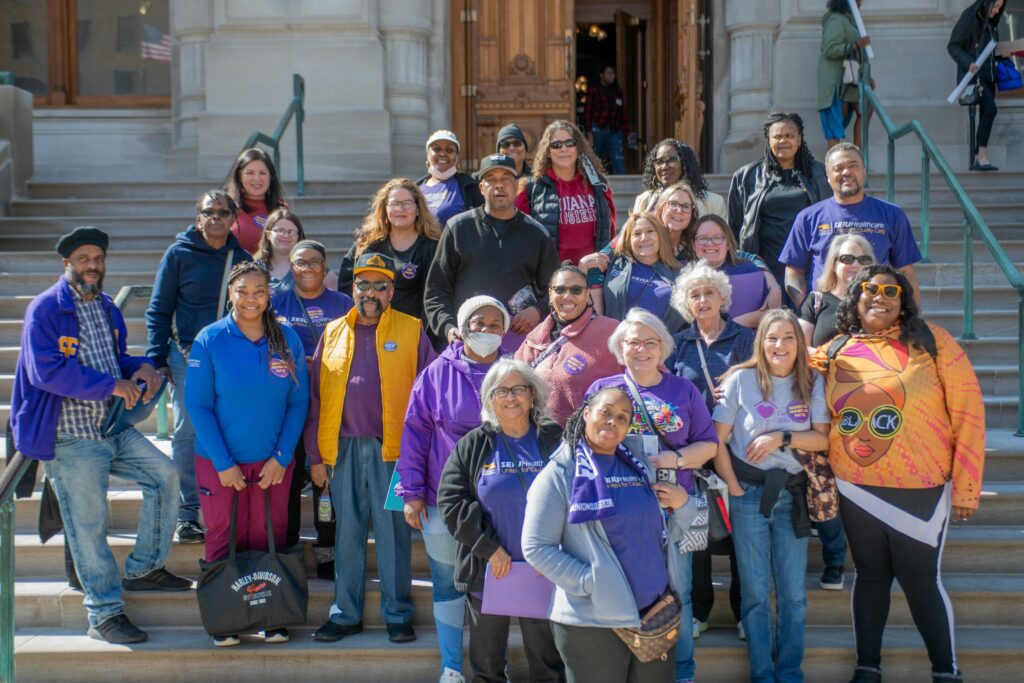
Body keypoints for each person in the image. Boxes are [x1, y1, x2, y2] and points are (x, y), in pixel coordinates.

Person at [11, 227, 190, 644]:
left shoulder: (106, 306)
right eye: (84, 258)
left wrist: (140, 367)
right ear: (67, 264)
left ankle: (145, 567)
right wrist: (111, 386)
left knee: (164, 477)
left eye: (99, 258)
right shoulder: (45, 309)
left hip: (111, 428)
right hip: (69, 435)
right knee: (88, 525)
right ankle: (104, 614)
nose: (93, 265)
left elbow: (113, 359)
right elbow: (46, 371)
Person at [811, 266, 985, 683]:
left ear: (904, 301)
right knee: (869, 577)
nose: (880, 296)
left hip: (921, 485)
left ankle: (946, 671)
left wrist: (967, 488)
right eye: (869, 289)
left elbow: (969, 414)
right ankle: (867, 668)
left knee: (921, 581)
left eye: (891, 291)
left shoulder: (934, 343)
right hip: (856, 487)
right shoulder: (834, 350)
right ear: (854, 298)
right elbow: (779, 366)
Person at [522, 386, 699, 683]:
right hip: (593, 620)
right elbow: (537, 548)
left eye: (622, 417)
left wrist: (684, 504)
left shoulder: (639, 466)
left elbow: (670, 531)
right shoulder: (560, 474)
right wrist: (591, 581)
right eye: (605, 412)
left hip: (654, 612)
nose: (612, 421)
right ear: (586, 413)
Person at [305, 252, 434, 644]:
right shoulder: (332, 332)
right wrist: (315, 456)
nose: (371, 292)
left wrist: (421, 458)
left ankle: (397, 612)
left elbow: (428, 398)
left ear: (392, 290)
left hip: (394, 453)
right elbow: (314, 398)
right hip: (341, 451)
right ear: (352, 288)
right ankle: (345, 613)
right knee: (348, 533)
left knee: (396, 534)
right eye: (364, 284)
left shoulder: (412, 330)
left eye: (381, 285)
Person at [586, 308, 718, 683]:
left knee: (680, 593)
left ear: (663, 347)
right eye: (633, 343)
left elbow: (708, 444)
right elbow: (584, 448)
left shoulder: (684, 389)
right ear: (619, 348)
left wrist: (673, 459)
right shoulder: (603, 391)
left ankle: (682, 673)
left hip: (676, 507)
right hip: (618, 513)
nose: (641, 349)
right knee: (622, 590)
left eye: (650, 342)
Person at [186, 261, 310, 646]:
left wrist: (282, 456)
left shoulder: (286, 338)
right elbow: (198, 406)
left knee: (267, 535)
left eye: (259, 290)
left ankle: (270, 615)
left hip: (272, 462)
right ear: (230, 293)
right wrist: (224, 464)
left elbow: (298, 401)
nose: (252, 298)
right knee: (224, 536)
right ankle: (226, 619)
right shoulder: (210, 339)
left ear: (269, 295)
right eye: (244, 291)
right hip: (219, 463)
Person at [712, 309, 830, 683]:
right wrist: (731, 485)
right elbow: (717, 441)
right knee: (756, 592)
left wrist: (781, 436)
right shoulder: (740, 381)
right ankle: (762, 673)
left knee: (793, 593)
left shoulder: (812, 381)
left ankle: (790, 672)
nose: (780, 345)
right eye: (771, 338)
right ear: (760, 343)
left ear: (800, 342)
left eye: (788, 337)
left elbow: (822, 438)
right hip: (747, 493)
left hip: (791, 494)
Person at [398, 296, 511, 682]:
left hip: (502, 503)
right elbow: (414, 433)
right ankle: (451, 664)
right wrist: (410, 492)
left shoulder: (515, 371)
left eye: (496, 324)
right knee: (448, 582)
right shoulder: (435, 373)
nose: (487, 331)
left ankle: (495, 665)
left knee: (497, 582)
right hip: (444, 500)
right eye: (479, 323)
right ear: (461, 328)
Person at [437, 360, 566, 683]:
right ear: (490, 399)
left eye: (519, 389)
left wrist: (555, 549)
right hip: (489, 567)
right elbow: (451, 501)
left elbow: (576, 492)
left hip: (544, 566)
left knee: (548, 659)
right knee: (486, 658)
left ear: (533, 395)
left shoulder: (554, 438)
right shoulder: (474, 444)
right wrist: (488, 548)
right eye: (501, 391)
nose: (511, 397)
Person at [146, 190, 253, 544]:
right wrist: (157, 358)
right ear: (198, 217)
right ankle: (189, 512)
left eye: (224, 212)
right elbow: (159, 309)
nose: (217, 217)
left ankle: (224, 503)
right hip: (185, 353)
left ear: (234, 218)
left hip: (229, 356)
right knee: (188, 430)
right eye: (210, 212)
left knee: (228, 426)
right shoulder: (179, 254)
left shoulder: (241, 257)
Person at [666, 261, 754, 641]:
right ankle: (698, 611)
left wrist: (738, 379)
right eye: (694, 294)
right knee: (695, 537)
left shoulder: (745, 339)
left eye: (708, 293)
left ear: (723, 297)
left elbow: (761, 381)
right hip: (694, 454)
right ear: (686, 303)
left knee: (742, 540)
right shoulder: (676, 344)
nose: (702, 300)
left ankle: (744, 613)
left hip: (738, 450)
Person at [271, 240, 353, 579]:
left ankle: (328, 554)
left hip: (330, 403)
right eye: (300, 263)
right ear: (291, 267)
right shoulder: (276, 302)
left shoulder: (343, 303)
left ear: (325, 266)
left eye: (314, 262)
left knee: (325, 483)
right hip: (286, 402)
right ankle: (287, 552)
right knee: (288, 481)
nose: (307, 269)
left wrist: (318, 364)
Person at [425, 154, 560, 348]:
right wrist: (448, 327)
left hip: (517, 344)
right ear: (481, 187)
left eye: (506, 179)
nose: (499, 185)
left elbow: (555, 289)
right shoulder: (458, 229)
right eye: (491, 180)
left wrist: (537, 310)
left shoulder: (537, 234)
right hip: (466, 341)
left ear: (517, 186)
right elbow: (436, 290)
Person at [780, 143, 922, 309]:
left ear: (864, 172)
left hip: (877, 311)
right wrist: (808, 308)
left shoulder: (892, 215)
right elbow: (793, 272)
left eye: (853, 166)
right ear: (827, 176)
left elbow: (906, 272)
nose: (846, 172)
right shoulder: (808, 218)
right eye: (838, 168)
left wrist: (914, 318)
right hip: (826, 314)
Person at [727, 112, 830, 304]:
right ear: (768, 140)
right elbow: (734, 226)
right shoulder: (746, 176)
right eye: (777, 136)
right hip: (765, 267)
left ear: (799, 139)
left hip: (809, 267)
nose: (784, 141)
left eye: (790, 136)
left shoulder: (821, 174)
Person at [514, 262, 621, 426]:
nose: (567, 296)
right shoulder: (534, 338)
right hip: (537, 437)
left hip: (589, 440)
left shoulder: (612, 331)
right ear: (550, 294)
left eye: (576, 290)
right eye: (560, 290)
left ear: (587, 294)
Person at [337, 178, 440, 327]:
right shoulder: (367, 245)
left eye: (407, 203)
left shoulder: (431, 248)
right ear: (385, 209)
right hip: (372, 330)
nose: (400, 209)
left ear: (418, 209)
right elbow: (347, 287)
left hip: (413, 333)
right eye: (394, 204)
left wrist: (423, 336)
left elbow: (435, 297)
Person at [515, 120, 616, 264]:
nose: (564, 149)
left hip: (593, 275)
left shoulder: (597, 184)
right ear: (548, 152)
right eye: (556, 145)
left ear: (578, 148)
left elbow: (610, 228)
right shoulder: (530, 188)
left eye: (570, 143)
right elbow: (521, 236)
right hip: (554, 278)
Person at [594, 213, 685, 333]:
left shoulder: (680, 273)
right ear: (628, 239)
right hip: (615, 344)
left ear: (660, 236)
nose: (644, 238)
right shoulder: (615, 263)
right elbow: (592, 273)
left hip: (661, 348)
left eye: (650, 231)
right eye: (637, 233)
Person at [948, 0, 1007, 171]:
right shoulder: (969, 18)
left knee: (986, 114)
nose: (996, 11)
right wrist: (969, 63)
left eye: (999, 8)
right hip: (975, 76)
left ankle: (979, 157)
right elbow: (953, 46)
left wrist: (1003, 54)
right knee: (990, 110)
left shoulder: (991, 22)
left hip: (989, 75)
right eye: (994, 6)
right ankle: (980, 157)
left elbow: (988, 50)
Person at [688, 215, 772, 328]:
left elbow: (770, 312)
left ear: (727, 243)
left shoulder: (747, 270)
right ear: (693, 245)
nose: (709, 243)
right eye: (703, 238)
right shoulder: (686, 275)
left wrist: (731, 325)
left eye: (717, 238)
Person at [797, 233, 875, 347]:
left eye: (863, 260)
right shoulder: (815, 301)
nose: (856, 265)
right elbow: (801, 350)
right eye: (848, 259)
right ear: (833, 264)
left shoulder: (877, 303)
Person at [818, 0, 872, 149]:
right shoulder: (836, 20)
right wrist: (855, 45)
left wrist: (867, 78)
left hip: (850, 81)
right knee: (835, 129)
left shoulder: (850, 20)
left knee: (866, 109)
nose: (860, 3)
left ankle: (858, 157)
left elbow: (858, 54)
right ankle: (833, 167)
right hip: (835, 84)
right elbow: (829, 50)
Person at [633, 138, 727, 219]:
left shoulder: (714, 203)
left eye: (672, 160)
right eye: (659, 161)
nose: (664, 167)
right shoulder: (643, 200)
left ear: (685, 164)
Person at [253, 208, 340, 295]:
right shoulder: (254, 267)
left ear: (298, 236)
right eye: (280, 230)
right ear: (268, 235)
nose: (286, 235)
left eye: (291, 231)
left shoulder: (314, 268)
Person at [225, 147, 288, 254]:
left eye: (262, 173)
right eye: (250, 173)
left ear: (271, 176)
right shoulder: (226, 208)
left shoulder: (282, 210)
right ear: (239, 176)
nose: (257, 179)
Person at [417, 129, 484, 227]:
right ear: (427, 154)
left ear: (457, 156)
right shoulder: (415, 188)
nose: (443, 154)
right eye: (437, 149)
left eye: (449, 150)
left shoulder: (471, 188)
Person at [583, 65, 630, 175]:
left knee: (618, 159)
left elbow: (622, 114)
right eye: (608, 73)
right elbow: (588, 112)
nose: (612, 76)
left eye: (613, 73)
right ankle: (590, 185)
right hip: (597, 130)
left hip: (615, 131)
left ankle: (622, 187)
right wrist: (589, 132)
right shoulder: (594, 90)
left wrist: (628, 133)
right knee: (594, 158)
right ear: (601, 75)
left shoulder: (617, 91)